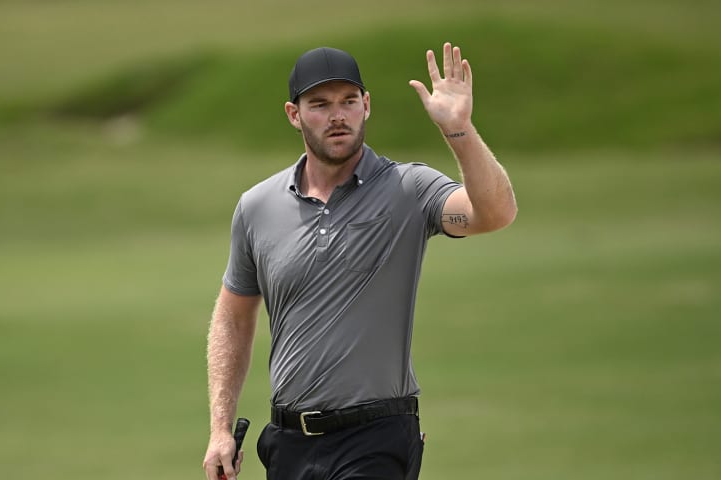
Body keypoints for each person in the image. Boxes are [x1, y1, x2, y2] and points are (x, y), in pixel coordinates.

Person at [202, 43, 517, 480]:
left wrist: (459, 131)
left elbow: (496, 213)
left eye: (349, 102)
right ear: (294, 114)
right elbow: (233, 319)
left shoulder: (408, 189)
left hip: (376, 437)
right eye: (320, 105)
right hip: (289, 443)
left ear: (365, 106)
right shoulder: (257, 207)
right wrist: (220, 428)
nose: (338, 116)